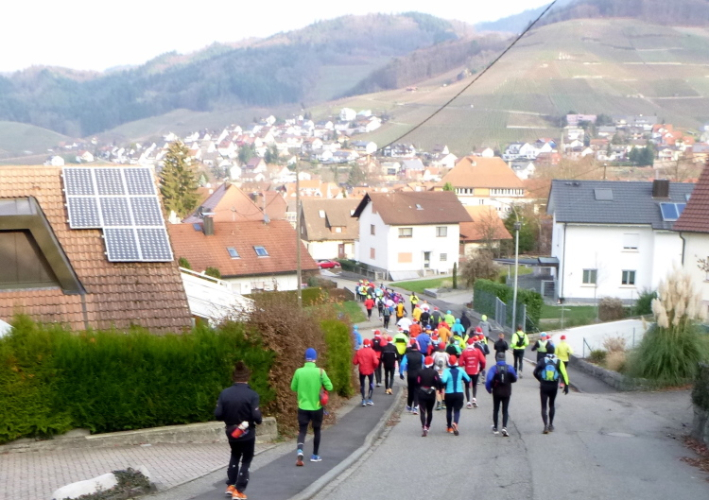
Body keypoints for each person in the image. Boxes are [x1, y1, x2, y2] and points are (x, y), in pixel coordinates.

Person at [215, 361, 263, 500]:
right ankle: (239, 490)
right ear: (247, 377)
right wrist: (258, 420)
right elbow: (256, 416)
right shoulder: (252, 395)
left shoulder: (224, 393)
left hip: (231, 431)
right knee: (246, 459)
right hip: (247, 432)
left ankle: (230, 485)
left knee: (235, 455)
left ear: (234, 377)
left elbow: (218, 414)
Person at [291, 348, 334, 466]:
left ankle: (300, 451)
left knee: (302, 431)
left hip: (303, 406)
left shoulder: (298, 372)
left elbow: (293, 387)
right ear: (315, 359)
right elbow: (330, 387)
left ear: (305, 358)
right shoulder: (320, 372)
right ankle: (315, 455)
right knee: (317, 430)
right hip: (316, 407)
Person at [533, 345, 570, 434]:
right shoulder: (558, 361)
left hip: (544, 385)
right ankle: (551, 425)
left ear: (546, 350)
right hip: (553, 385)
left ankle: (545, 425)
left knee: (544, 406)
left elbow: (535, 372)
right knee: (552, 405)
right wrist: (566, 385)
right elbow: (564, 373)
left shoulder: (542, 360)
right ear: (554, 351)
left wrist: (540, 379)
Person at [485, 352, 518, 437]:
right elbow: (515, 378)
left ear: (497, 359)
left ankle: (496, 427)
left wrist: (489, 389)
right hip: (507, 391)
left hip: (497, 392)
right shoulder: (509, 368)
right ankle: (504, 427)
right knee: (505, 410)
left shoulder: (493, 368)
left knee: (496, 409)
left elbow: (489, 380)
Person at [440, 355, 470, 435]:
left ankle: (449, 427)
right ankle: (455, 422)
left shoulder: (446, 371)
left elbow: (443, 381)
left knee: (449, 410)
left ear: (448, 362)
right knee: (457, 410)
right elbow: (468, 379)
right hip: (459, 393)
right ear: (456, 361)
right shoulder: (460, 370)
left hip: (449, 393)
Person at [417, 356, 441, 437]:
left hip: (422, 392)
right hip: (431, 393)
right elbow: (438, 381)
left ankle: (423, 426)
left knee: (422, 411)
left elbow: (417, 382)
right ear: (432, 363)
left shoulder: (420, 371)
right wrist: (438, 389)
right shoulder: (434, 372)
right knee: (430, 411)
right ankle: (427, 426)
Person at [400, 339, 425, 414]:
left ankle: (409, 406)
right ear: (417, 348)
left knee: (410, 390)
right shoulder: (421, 355)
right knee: (417, 390)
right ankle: (416, 406)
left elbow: (402, 364)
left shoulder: (407, 355)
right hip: (418, 375)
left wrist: (401, 373)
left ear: (411, 348)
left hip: (410, 374)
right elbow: (424, 364)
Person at [460, 338, 486, 409]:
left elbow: (460, 363)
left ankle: (468, 402)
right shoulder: (477, 351)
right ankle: (474, 399)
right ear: (473, 344)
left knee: (467, 386)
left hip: (467, 372)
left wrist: (465, 363)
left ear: (467, 344)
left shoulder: (464, 352)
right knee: (474, 385)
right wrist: (481, 368)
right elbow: (483, 361)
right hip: (475, 371)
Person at [353, 338, 380, 406]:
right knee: (371, 383)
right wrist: (375, 366)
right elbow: (376, 362)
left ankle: (363, 400)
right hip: (370, 370)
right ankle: (370, 399)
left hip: (362, 370)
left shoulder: (359, 352)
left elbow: (355, 362)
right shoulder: (372, 351)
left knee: (362, 384)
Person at [431, 342, 450, 410]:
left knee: (437, 388)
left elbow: (431, 362)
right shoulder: (446, 354)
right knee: (443, 388)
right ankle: (444, 402)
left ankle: (438, 403)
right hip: (444, 373)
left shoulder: (435, 354)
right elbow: (449, 363)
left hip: (436, 373)